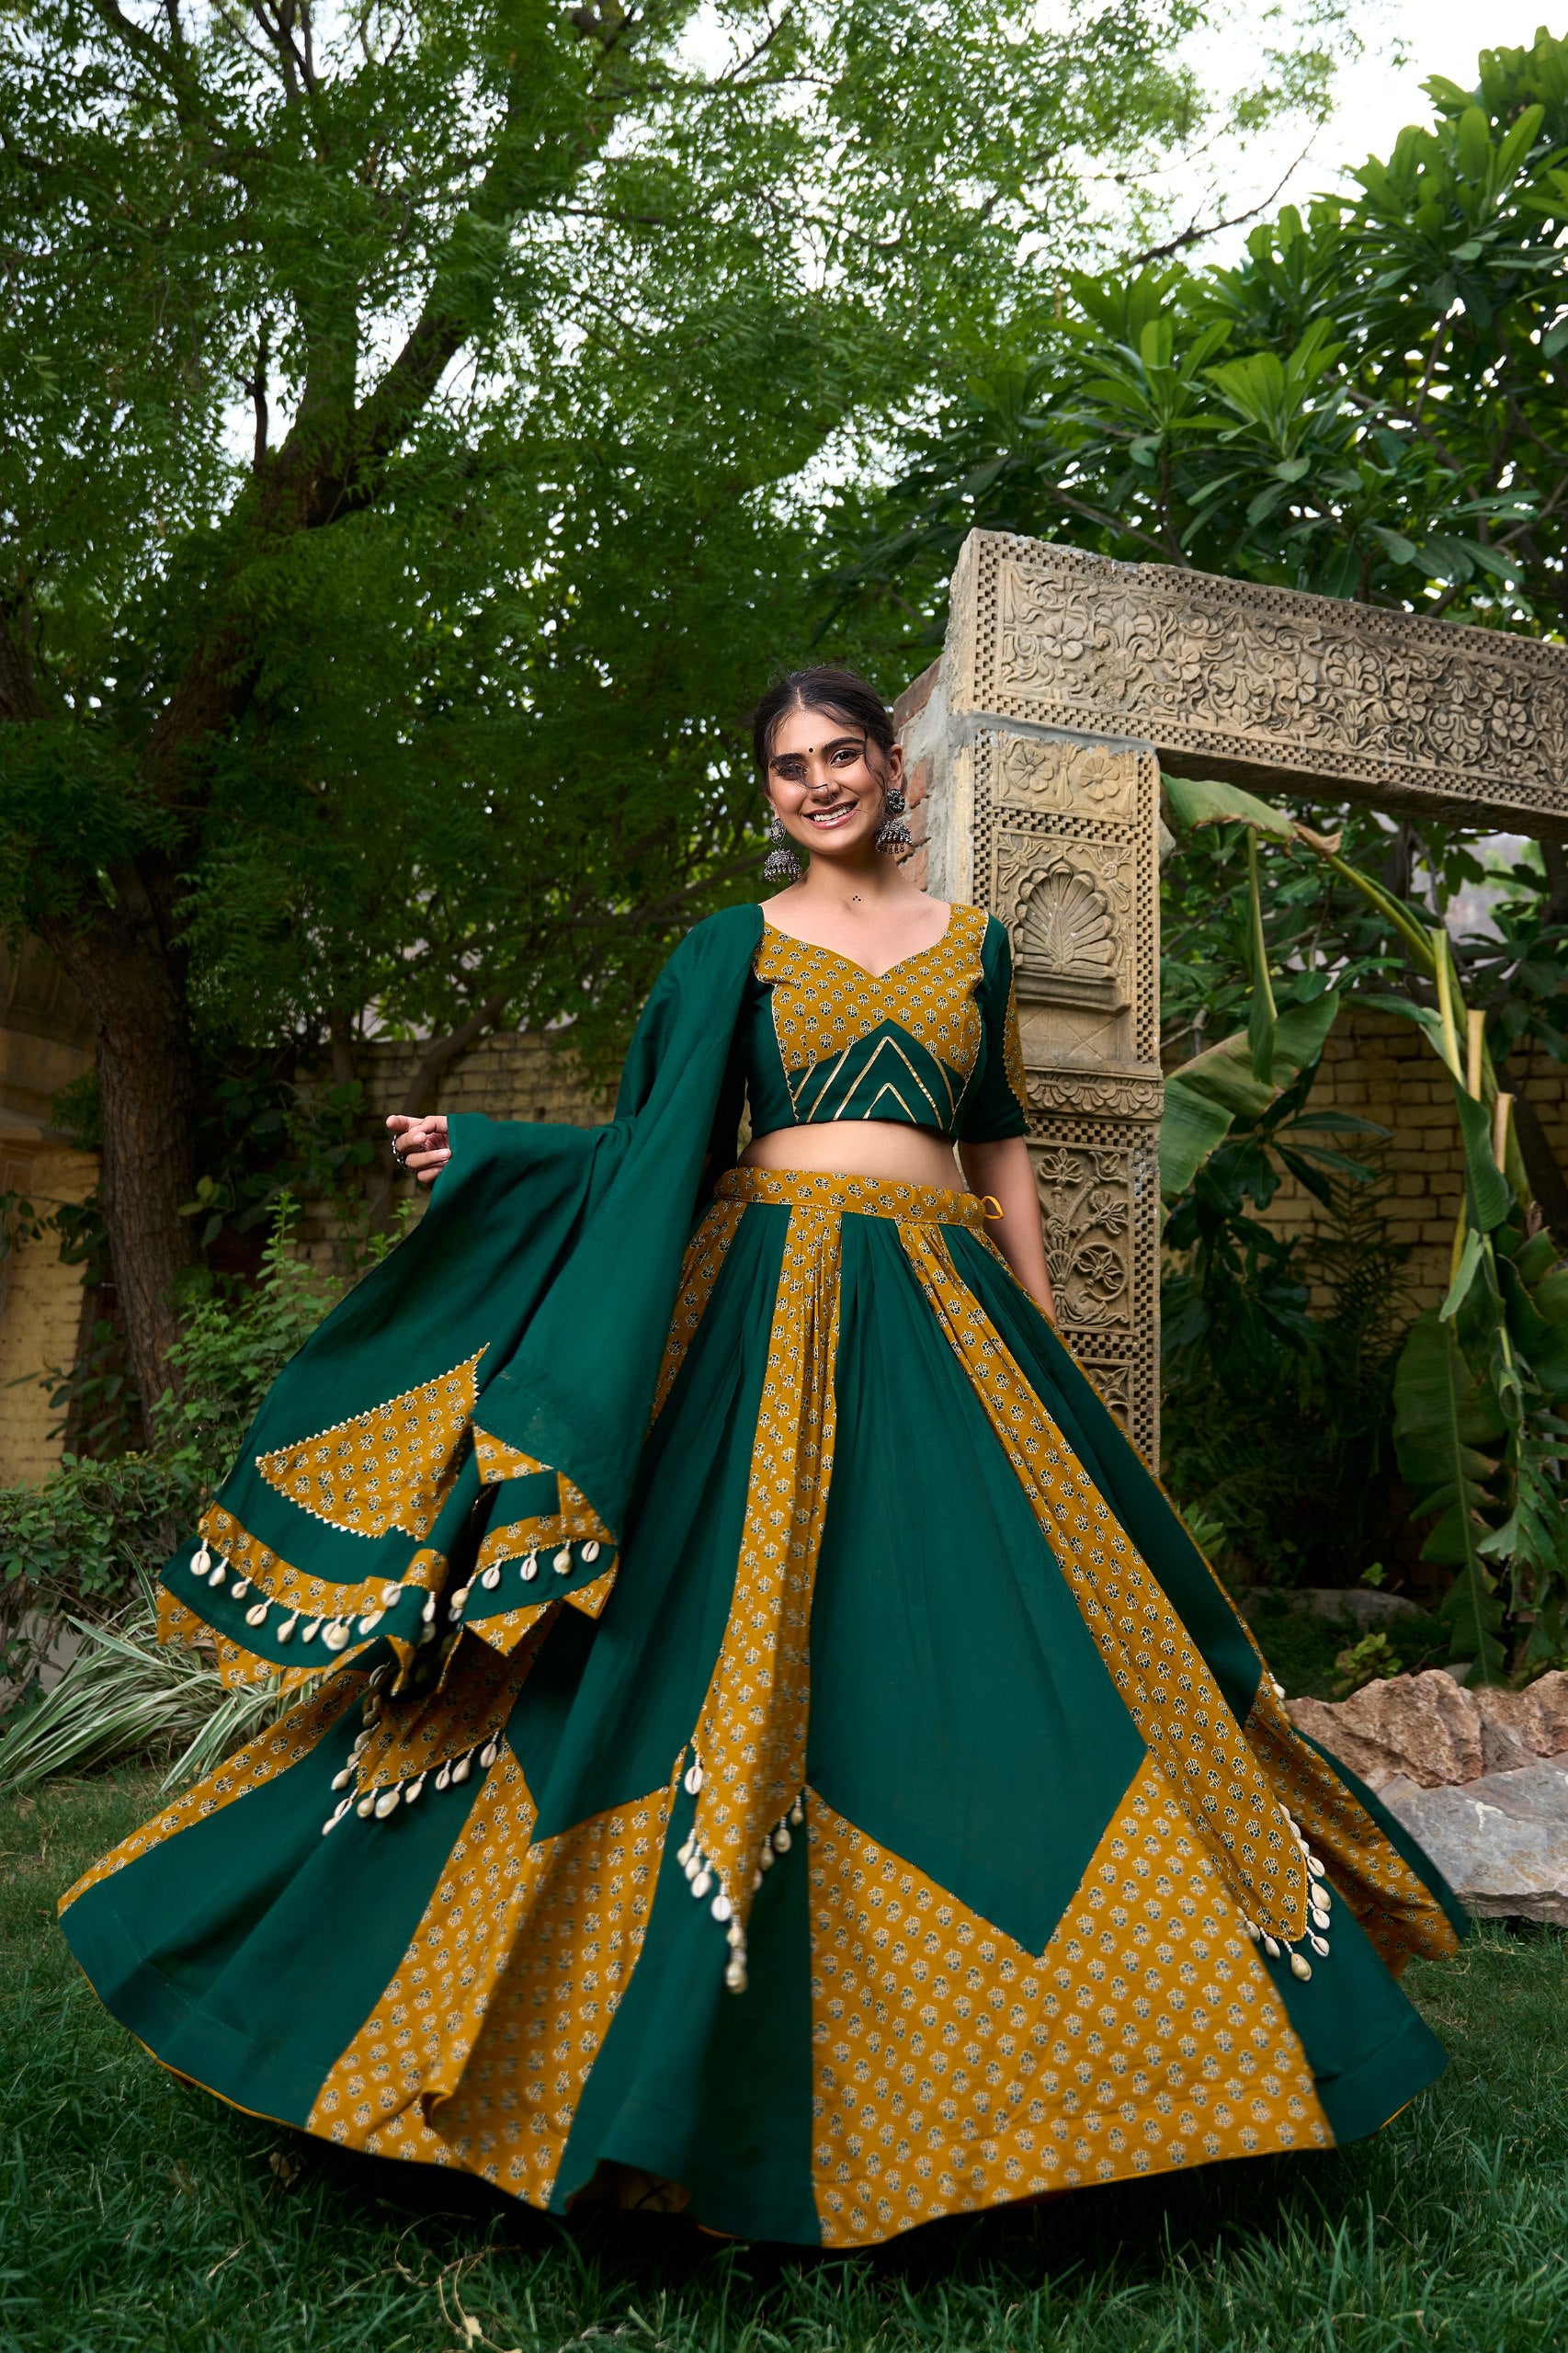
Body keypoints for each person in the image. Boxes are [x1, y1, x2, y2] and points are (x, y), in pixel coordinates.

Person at [60, 667, 1463, 2247]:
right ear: (773, 794)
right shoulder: (729, 948)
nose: (818, 785)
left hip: (945, 1311)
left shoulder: (972, 945)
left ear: (892, 773)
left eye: (841, 756)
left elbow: (995, 1130)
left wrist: (1038, 1315)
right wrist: (505, 1156)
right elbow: (670, 1141)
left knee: (1010, 1647)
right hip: (769, 1304)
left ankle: (1120, 2065)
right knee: (697, 1639)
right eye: (790, 768)